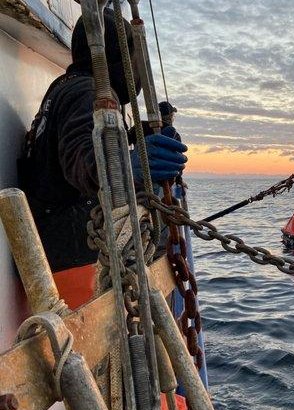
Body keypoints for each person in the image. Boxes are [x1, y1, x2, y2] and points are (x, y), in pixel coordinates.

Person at [18, 9, 188, 310]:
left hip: (56, 252)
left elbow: (80, 146)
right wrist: (137, 163)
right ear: (117, 58)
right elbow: (83, 164)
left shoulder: (66, 86)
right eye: (134, 61)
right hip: (75, 268)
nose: (138, 73)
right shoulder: (88, 92)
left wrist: (138, 135)